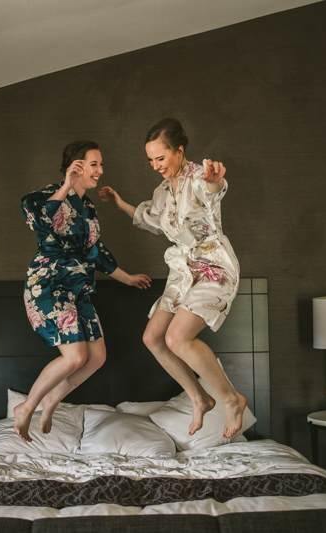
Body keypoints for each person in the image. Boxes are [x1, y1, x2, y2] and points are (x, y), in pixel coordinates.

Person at [98, 118, 246, 439]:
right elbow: (150, 219)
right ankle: (199, 398)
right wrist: (120, 203)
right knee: (153, 338)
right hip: (182, 271)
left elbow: (214, 192)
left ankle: (230, 398)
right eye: (150, 160)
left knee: (178, 339)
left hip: (212, 266)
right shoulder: (162, 191)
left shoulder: (198, 177)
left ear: (179, 152)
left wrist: (215, 181)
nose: (155, 166)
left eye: (160, 158)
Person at [17, 140, 151, 441]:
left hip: (78, 290)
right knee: (75, 356)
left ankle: (52, 399)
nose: (101, 171)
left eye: (101, 164)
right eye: (95, 164)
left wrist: (126, 278)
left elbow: (94, 251)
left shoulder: (88, 208)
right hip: (49, 285)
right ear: (75, 167)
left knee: (97, 357)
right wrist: (65, 186)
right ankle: (27, 406)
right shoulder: (41, 197)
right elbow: (38, 221)